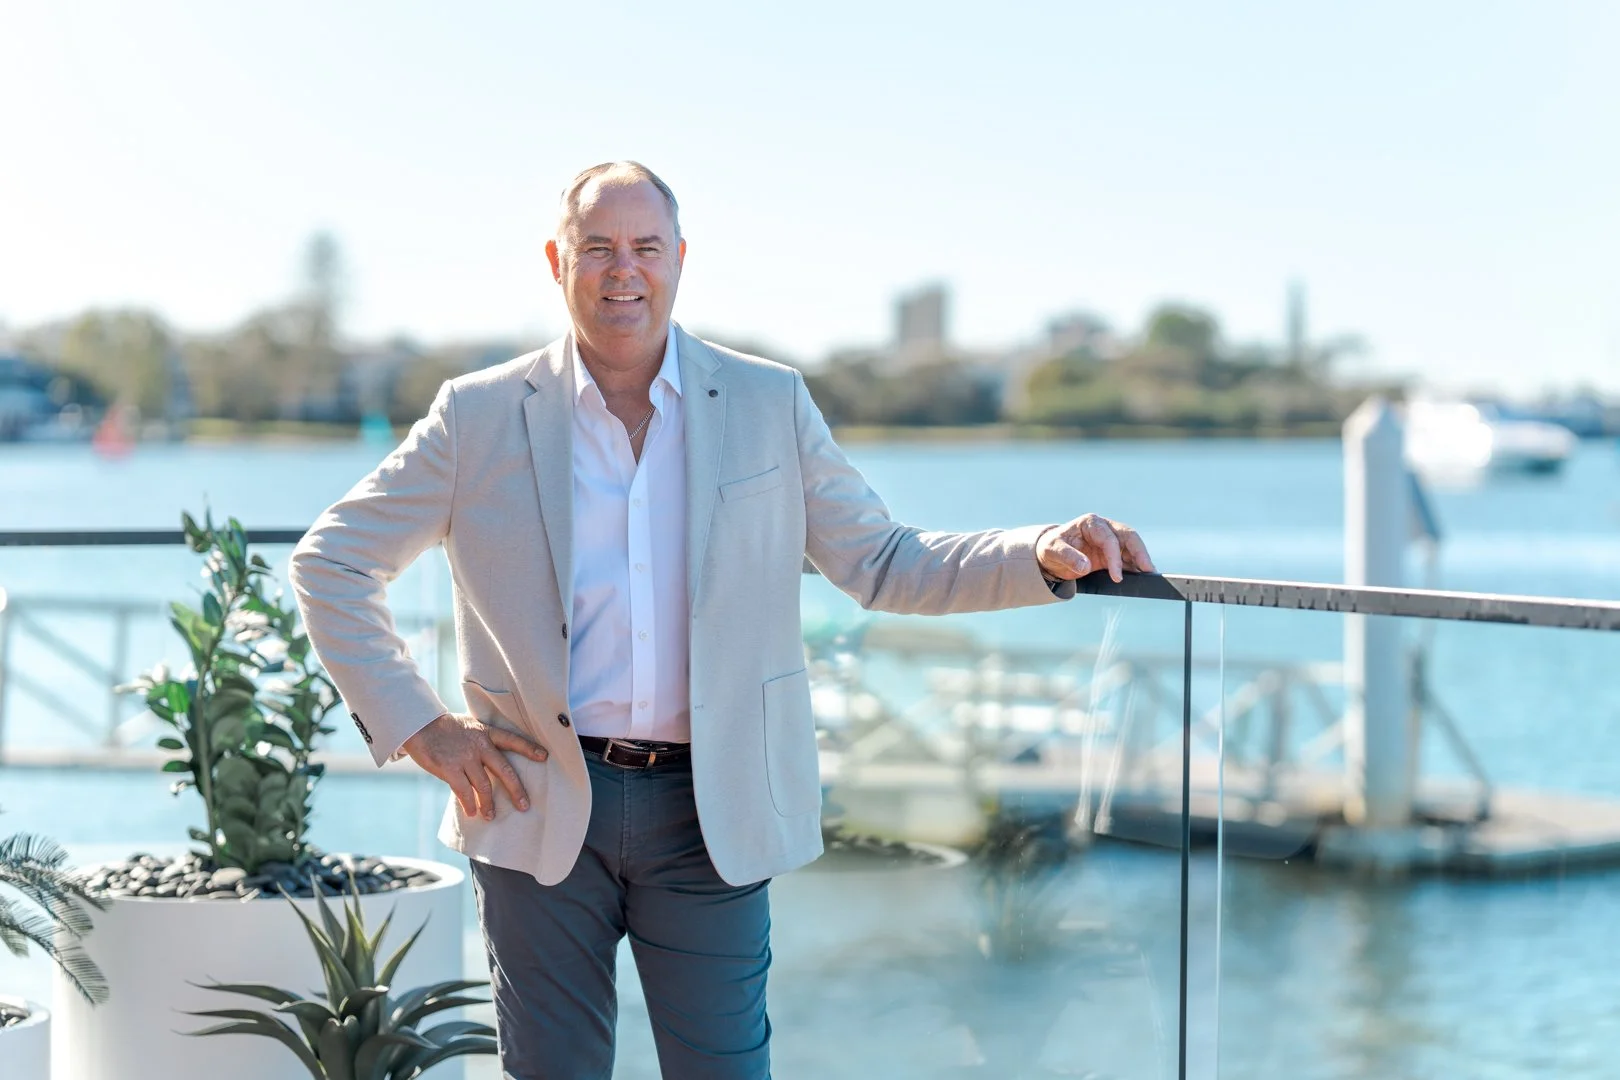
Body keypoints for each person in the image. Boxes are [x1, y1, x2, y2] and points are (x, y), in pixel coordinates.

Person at [288, 160, 1155, 1080]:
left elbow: (884, 562)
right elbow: (331, 561)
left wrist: (1039, 552)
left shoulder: (768, 402)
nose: (624, 269)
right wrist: (423, 728)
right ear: (556, 261)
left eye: (645, 246)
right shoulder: (479, 415)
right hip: (535, 799)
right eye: (598, 247)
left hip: (712, 810)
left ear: (679, 258)